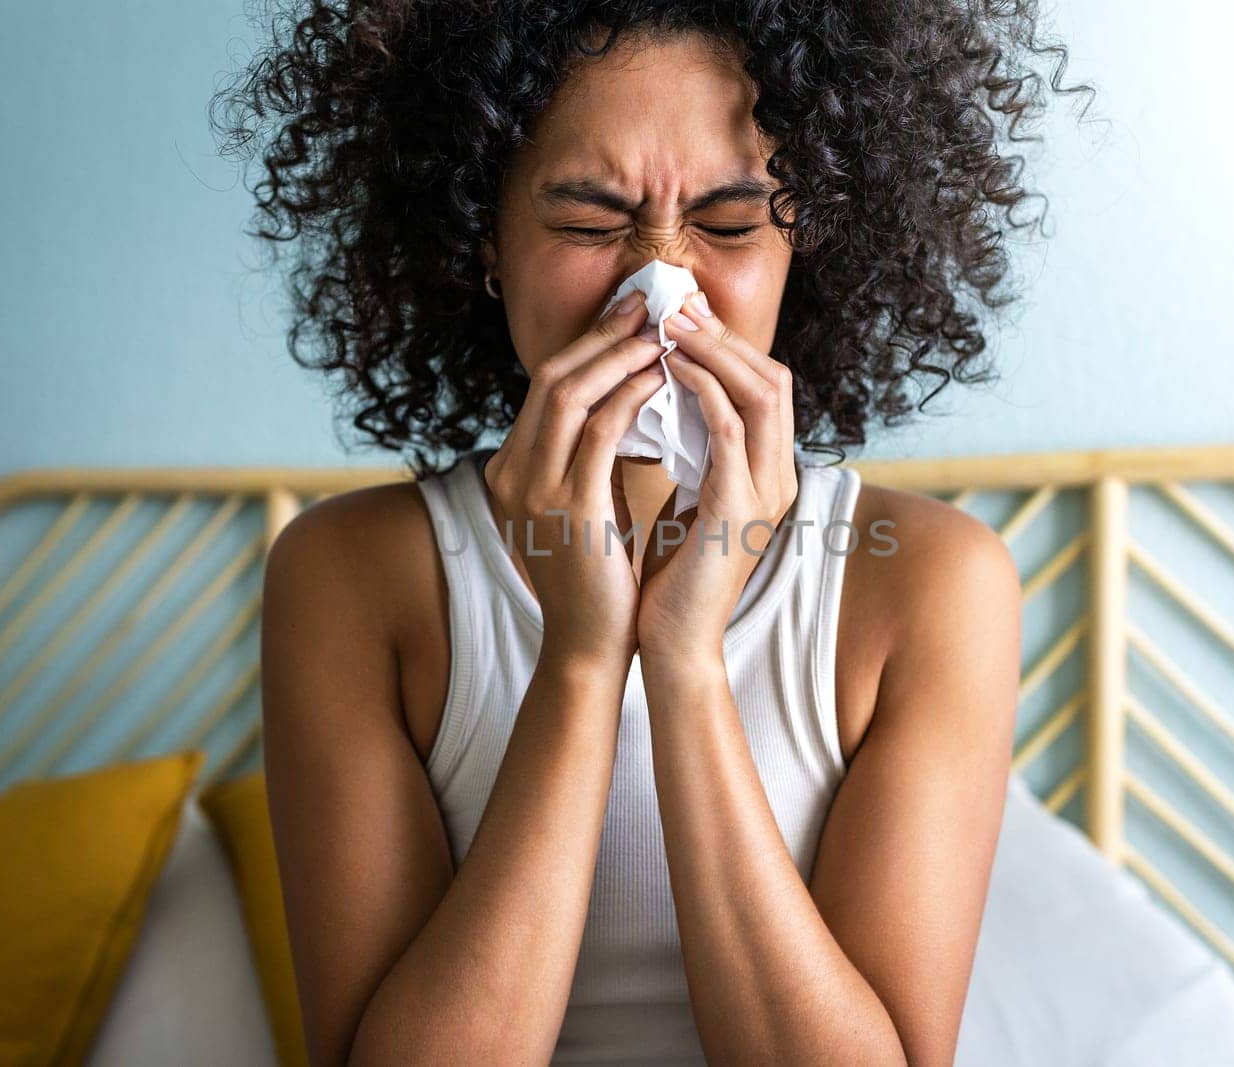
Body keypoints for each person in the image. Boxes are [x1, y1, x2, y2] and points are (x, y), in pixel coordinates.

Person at [213, 2, 1086, 1063]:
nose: (661, 290)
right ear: (486, 239)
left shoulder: (930, 582)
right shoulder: (348, 576)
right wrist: (582, 659)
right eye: (588, 226)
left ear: (802, 240)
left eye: (725, 227)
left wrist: (682, 657)